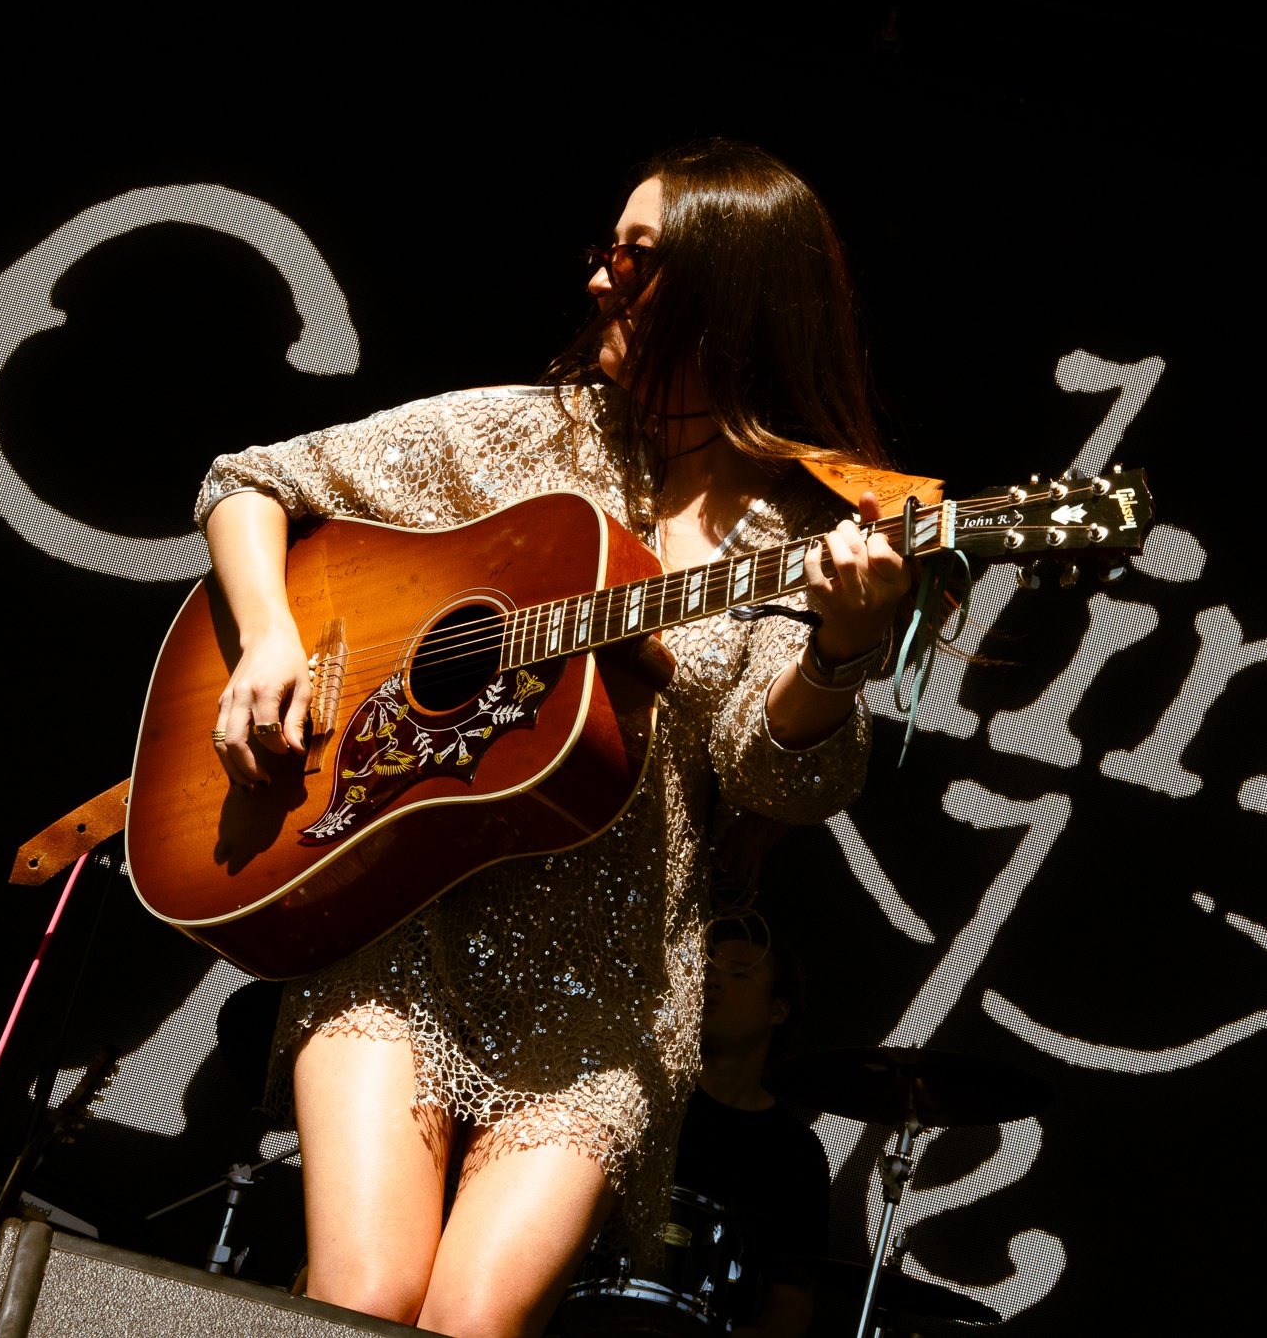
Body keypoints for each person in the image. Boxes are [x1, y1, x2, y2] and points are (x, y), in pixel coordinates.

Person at [196, 139, 913, 1338]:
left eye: (638, 261)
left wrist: (836, 657)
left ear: (731, 290)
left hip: (608, 997)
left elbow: (767, 771)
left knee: (469, 1326)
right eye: (604, 253)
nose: (597, 283)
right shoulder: (520, 439)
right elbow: (249, 480)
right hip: (409, 937)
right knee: (363, 1298)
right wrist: (269, 640)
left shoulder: (802, 526)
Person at [672, 922, 830, 1338]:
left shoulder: (796, 1152)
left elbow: (792, 1297)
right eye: (708, 970)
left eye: (738, 972)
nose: (713, 982)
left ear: (778, 1010)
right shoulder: (645, 1102)